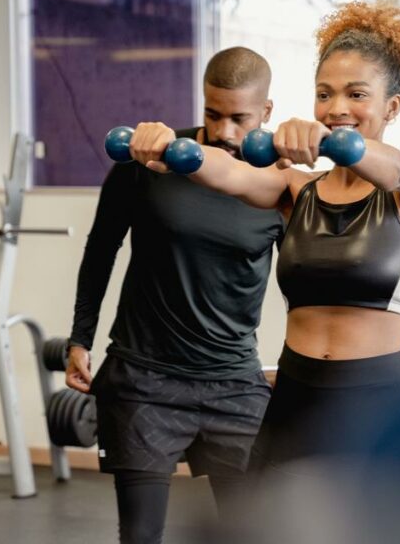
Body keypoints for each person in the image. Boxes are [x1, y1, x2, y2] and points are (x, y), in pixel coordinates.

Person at [125, 1, 400, 483]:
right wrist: (173, 149)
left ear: (392, 106)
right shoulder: (297, 189)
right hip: (295, 400)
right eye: (324, 94)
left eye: (356, 94)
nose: (337, 108)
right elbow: (231, 174)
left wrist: (338, 144)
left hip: (379, 403)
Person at [64, 47, 283, 544]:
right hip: (144, 378)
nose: (224, 131)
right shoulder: (150, 160)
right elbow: (101, 249)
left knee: (251, 532)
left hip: (233, 380)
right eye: (213, 113)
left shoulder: (277, 183)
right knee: (140, 535)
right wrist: (80, 337)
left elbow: (303, 281)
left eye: (240, 118)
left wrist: (302, 365)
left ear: (266, 111)